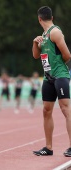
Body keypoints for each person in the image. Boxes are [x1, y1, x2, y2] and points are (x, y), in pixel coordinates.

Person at [32, 6, 71, 156]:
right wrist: (35, 43)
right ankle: (48, 147)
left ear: (39, 19)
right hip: (48, 78)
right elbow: (36, 56)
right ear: (51, 17)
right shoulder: (43, 35)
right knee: (46, 111)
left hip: (60, 76)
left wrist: (57, 67)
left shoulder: (55, 32)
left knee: (65, 110)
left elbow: (67, 55)